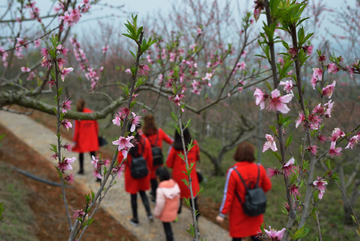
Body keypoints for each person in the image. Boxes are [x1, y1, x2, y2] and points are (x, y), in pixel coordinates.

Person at [216, 142, 272, 241]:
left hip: (239, 213)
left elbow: (228, 195)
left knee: (237, 238)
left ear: (238, 153)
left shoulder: (233, 171)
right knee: (256, 237)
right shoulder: (260, 168)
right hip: (256, 210)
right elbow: (268, 186)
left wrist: (222, 214)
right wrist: (255, 195)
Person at [117, 124, 154, 226]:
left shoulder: (125, 144)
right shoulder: (145, 141)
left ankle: (135, 218)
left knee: (133, 197)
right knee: (143, 194)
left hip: (131, 173)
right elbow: (150, 158)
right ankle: (149, 214)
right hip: (143, 172)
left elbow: (121, 160)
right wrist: (149, 169)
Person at [166, 127, 201, 221]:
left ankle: (176, 213)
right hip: (191, 178)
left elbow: (169, 164)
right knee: (193, 202)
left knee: (177, 198)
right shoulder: (194, 144)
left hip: (178, 180)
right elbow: (197, 158)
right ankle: (195, 221)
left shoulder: (174, 147)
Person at [142, 114, 173, 203]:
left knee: (153, 178)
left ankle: (155, 195)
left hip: (149, 161)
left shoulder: (143, 135)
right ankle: (161, 194)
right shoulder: (160, 132)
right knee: (159, 177)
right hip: (159, 160)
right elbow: (170, 141)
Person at [72, 99, 99, 175]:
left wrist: (74, 140)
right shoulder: (91, 113)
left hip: (82, 139)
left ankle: (81, 169)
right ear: (85, 104)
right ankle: (98, 174)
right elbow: (96, 127)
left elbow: (76, 130)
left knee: (81, 154)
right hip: (91, 138)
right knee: (93, 157)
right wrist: (96, 136)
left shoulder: (78, 115)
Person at [154, 166, 180, 241]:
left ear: (158, 177)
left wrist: (157, 213)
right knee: (168, 227)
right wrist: (176, 209)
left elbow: (160, 204)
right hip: (173, 211)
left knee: (167, 228)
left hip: (165, 213)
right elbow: (178, 199)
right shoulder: (175, 184)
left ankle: (170, 238)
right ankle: (171, 236)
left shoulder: (160, 189)